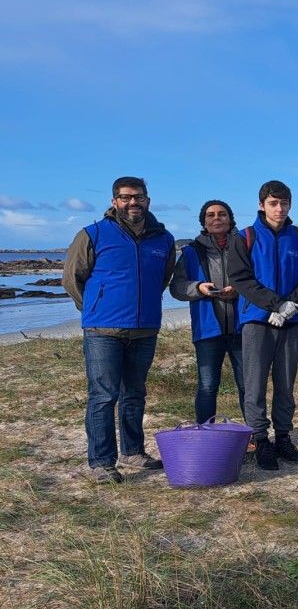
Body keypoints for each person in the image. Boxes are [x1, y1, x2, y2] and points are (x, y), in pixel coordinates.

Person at [64, 176, 176, 483]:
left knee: (135, 394)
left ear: (147, 201)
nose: (133, 202)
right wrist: (94, 309)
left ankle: (133, 452)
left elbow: (162, 278)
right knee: (103, 395)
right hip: (103, 331)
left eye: (138, 197)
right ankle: (101, 462)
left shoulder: (163, 239)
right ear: (115, 202)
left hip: (144, 329)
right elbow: (72, 279)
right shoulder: (93, 234)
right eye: (125, 197)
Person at [228, 180, 298, 470]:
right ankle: (260, 440)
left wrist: (292, 304)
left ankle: (283, 437)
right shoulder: (245, 237)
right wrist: (274, 304)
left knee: (285, 383)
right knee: (254, 384)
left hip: (293, 321)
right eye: (273, 203)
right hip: (257, 320)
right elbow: (241, 279)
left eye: (284, 203)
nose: (279, 209)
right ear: (261, 205)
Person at [171, 199, 245, 427]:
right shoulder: (191, 252)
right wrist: (198, 288)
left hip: (243, 327)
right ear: (203, 221)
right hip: (207, 329)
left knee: (248, 385)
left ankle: (256, 435)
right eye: (210, 215)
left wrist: (239, 290)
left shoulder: (245, 246)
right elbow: (176, 287)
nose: (216, 218)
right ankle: (205, 433)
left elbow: (257, 281)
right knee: (206, 386)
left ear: (230, 219)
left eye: (222, 214)